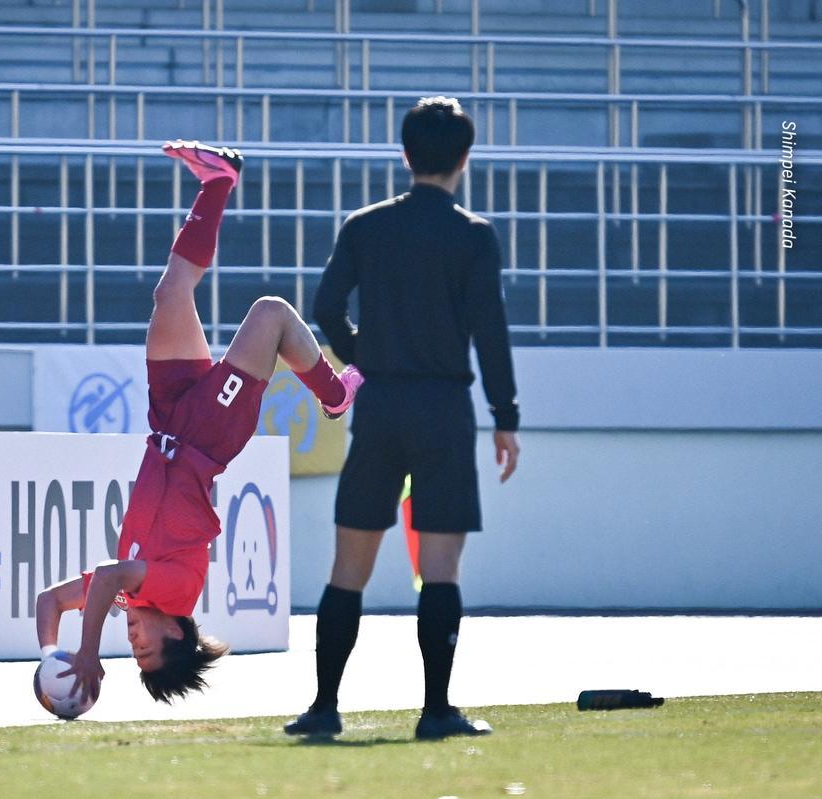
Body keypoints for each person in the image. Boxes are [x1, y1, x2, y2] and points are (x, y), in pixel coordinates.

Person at [36, 139, 365, 705]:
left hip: (166, 422)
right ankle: (334, 396)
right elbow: (111, 576)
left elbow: (48, 600)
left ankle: (219, 180)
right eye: (145, 649)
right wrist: (85, 652)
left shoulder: (127, 598)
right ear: (177, 634)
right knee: (272, 315)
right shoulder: (175, 593)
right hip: (206, 437)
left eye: (129, 650)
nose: (132, 640)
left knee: (170, 292)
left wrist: (51, 659)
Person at [284, 96, 521, 740]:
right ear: (464, 159)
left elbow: (327, 308)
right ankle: (437, 712)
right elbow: (490, 331)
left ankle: (324, 707)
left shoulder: (364, 227)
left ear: (405, 154)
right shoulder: (473, 235)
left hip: (381, 406)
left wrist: (367, 352)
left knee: (348, 566)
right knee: (440, 567)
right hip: (444, 408)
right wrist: (506, 414)